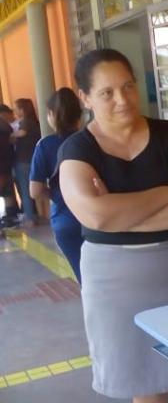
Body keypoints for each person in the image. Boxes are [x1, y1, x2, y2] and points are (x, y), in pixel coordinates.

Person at [59, 49, 168, 403]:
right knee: (145, 389)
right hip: (116, 283)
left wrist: (124, 214)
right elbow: (95, 217)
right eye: (107, 92)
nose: (122, 99)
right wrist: (167, 192)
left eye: (127, 86)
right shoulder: (76, 151)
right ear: (85, 97)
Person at [29, 88, 84, 282]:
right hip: (98, 220)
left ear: (51, 115)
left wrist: (56, 194)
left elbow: (34, 191)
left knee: (84, 279)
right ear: (80, 113)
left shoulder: (45, 145)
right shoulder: (92, 140)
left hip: (65, 220)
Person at [11, 99, 39, 226]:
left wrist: (9, 136)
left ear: (22, 110)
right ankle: (32, 215)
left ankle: (29, 218)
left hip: (23, 161)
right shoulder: (34, 122)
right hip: (32, 160)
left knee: (25, 191)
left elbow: (21, 133)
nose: (14, 111)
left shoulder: (26, 122)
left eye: (16, 108)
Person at [0, 105, 17, 225]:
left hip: (5, 165)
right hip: (4, 165)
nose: (12, 116)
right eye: (10, 113)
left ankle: (10, 219)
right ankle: (10, 219)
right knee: (7, 192)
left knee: (7, 193)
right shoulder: (4, 127)